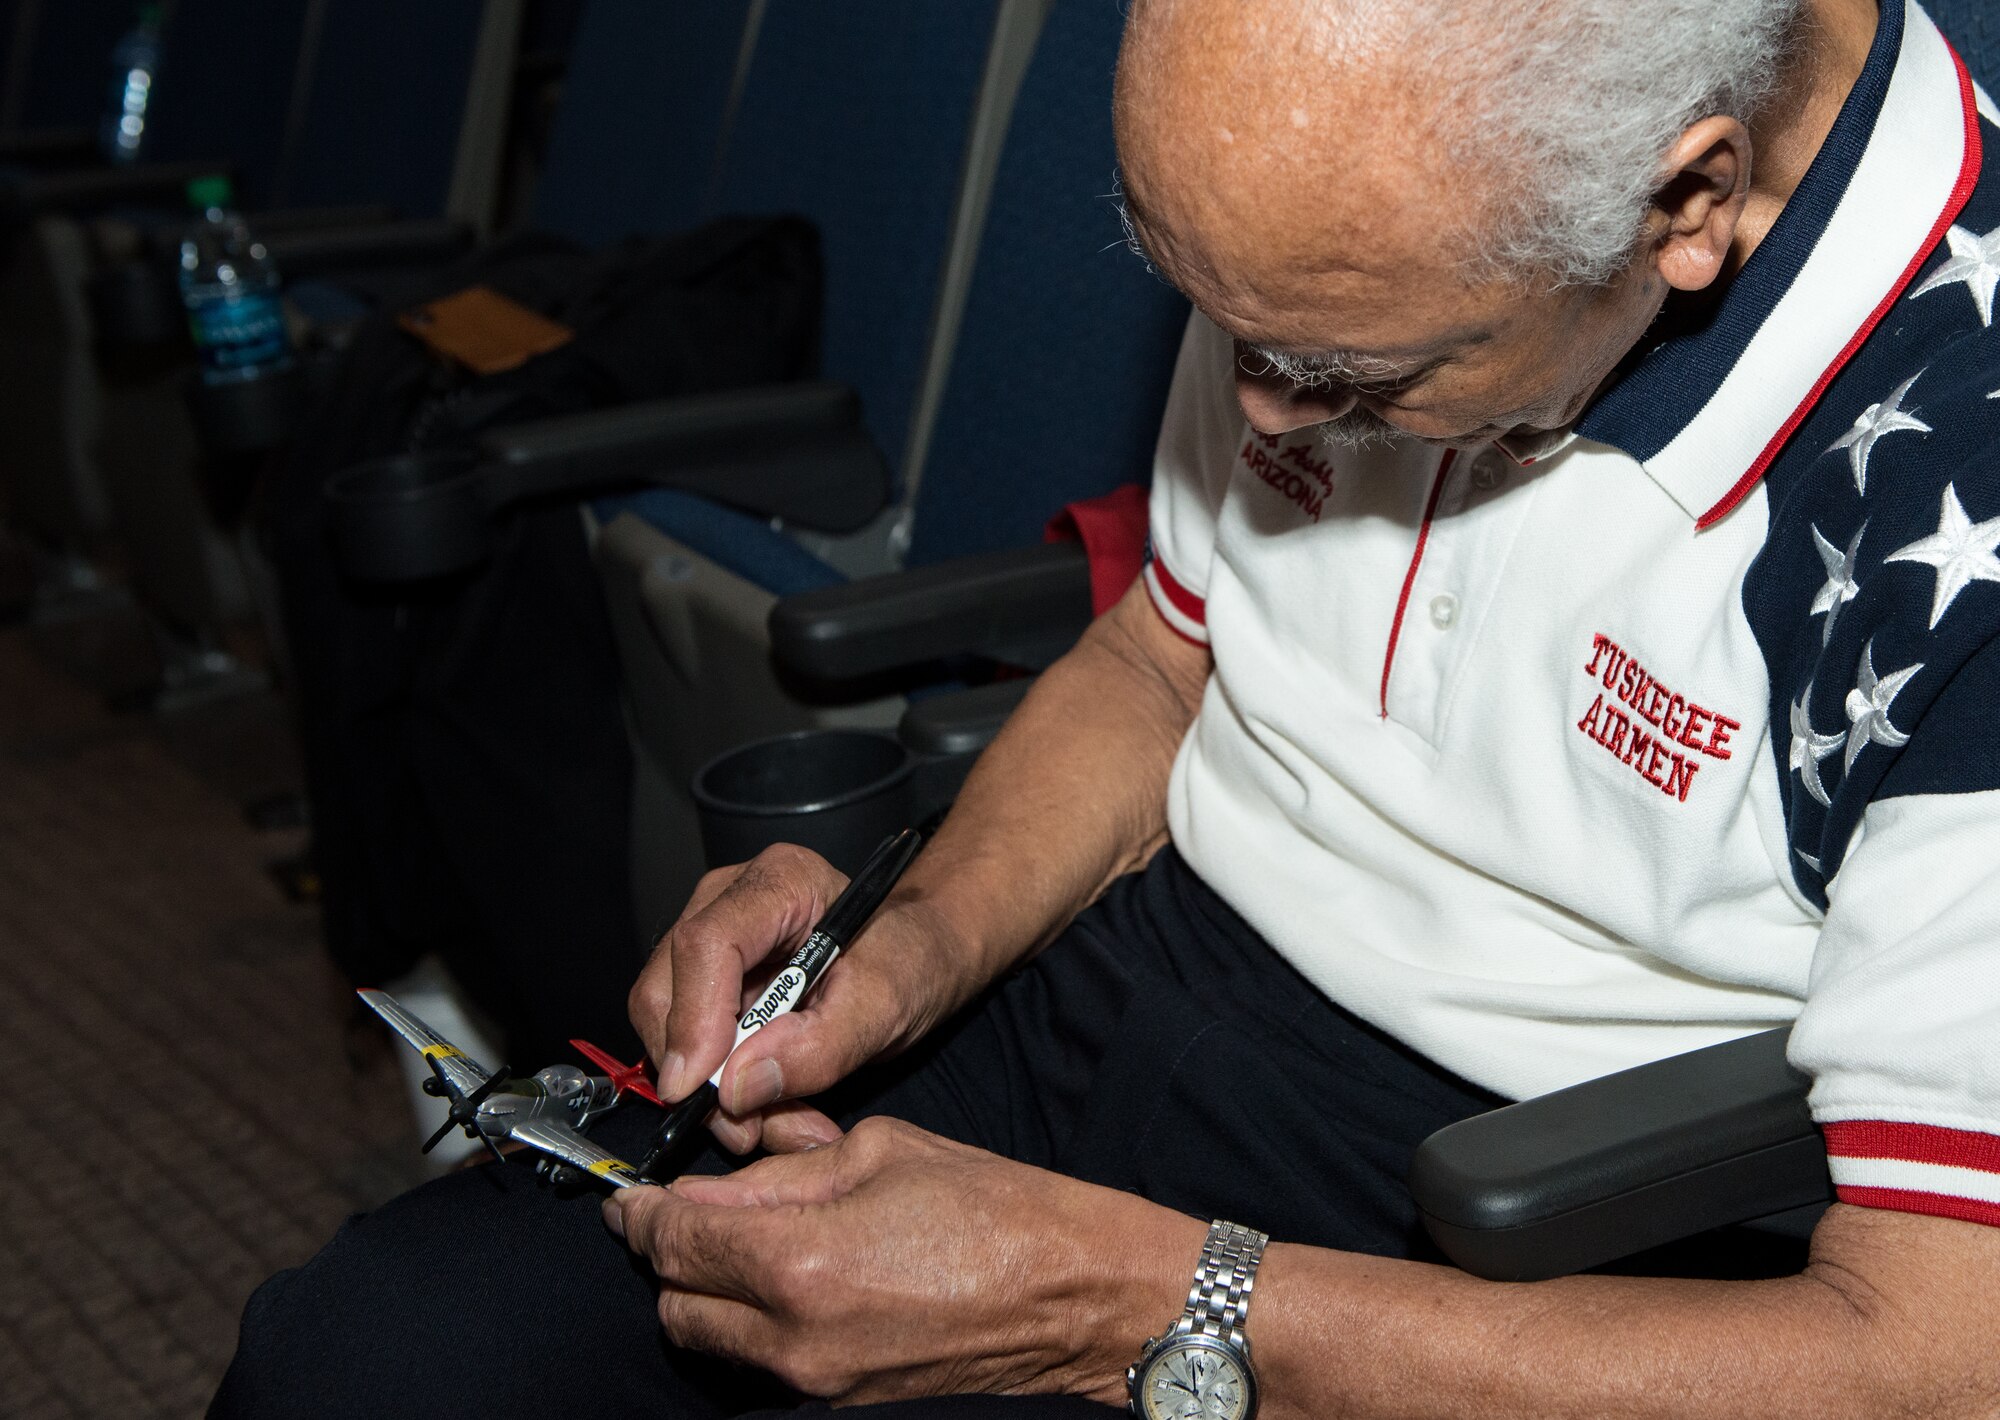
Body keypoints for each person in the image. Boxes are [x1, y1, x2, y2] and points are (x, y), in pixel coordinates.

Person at [211, 0, 2000, 1416]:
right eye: (1208, 313)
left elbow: (1936, 1365)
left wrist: (1123, 1305)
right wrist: (889, 965)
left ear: (1682, 206)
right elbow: (1167, 657)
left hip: (1534, 1204)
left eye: (1347, 371)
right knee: (379, 1352)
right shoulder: (1348, 208)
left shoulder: (1954, 493)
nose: (1258, 413)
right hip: (1139, 980)